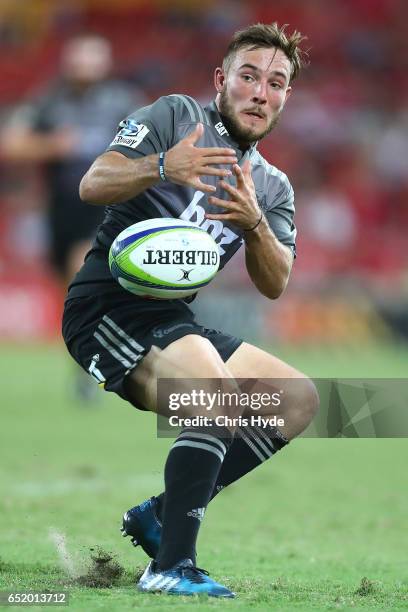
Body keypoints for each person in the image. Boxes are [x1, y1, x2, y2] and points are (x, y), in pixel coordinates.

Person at [62, 23, 319, 597]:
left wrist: (253, 224)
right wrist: (161, 168)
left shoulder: (272, 187)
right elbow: (92, 182)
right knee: (216, 395)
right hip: (106, 308)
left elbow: (275, 283)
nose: (260, 92)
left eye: (276, 83)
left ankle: (160, 516)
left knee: (297, 399)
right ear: (221, 80)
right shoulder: (175, 117)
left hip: (173, 321)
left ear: (285, 98)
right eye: (249, 76)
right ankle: (170, 566)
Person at [0, 33, 144, 287]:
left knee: (82, 264)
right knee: (63, 276)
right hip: (62, 204)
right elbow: (12, 143)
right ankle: (78, 324)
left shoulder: (123, 101)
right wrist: (52, 145)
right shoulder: (49, 99)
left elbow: (150, 144)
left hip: (106, 202)